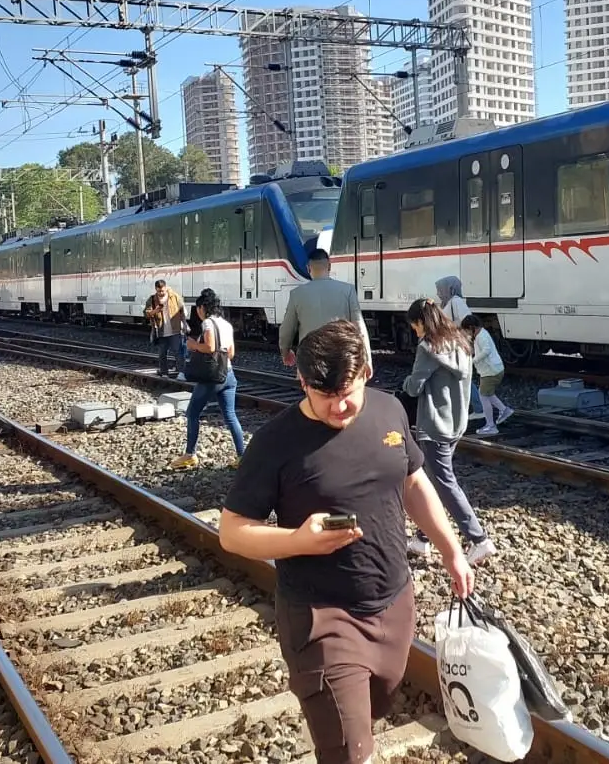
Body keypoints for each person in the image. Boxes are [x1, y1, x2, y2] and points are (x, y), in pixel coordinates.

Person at [218, 319, 474, 764]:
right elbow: (232, 530)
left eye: (347, 394)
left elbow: (414, 483)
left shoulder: (389, 410)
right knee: (349, 752)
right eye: (324, 396)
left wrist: (453, 551)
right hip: (321, 617)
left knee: (374, 711)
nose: (338, 407)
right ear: (302, 381)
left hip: (394, 602)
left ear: (367, 373)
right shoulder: (276, 443)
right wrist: (296, 540)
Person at [402, 298, 495, 564]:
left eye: (414, 326)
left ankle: (479, 539)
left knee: (444, 483)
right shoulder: (461, 342)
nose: (415, 331)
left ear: (421, 322)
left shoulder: (428, 347)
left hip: (433, 425)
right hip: (455, 423)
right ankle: (422, 539)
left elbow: (414, 387)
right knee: (432, 480)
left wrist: (406, 381)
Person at [174, 288, 246, 468]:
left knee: (192, 413)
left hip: (211, 378)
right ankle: (242, 456)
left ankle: (190, 454)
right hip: (228, 374)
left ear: (202, 308)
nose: (197, 312)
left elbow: (210, 347)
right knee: (230, 415)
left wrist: (193, 345)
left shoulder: (207, 323)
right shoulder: (227, 325)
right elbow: (230, 353)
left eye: (198, 308)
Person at [279, 248, 366, 368]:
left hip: (309, 359)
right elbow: (359, 327)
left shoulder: (297, 294)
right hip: (340, 358)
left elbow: (286, 330)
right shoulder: (348, 290)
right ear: (329, 266)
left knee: (310, 386)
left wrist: (285, 352)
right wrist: (366, 360)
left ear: (308, 268)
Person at [434, 275, 483, 419]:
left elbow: (467, 321)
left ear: (449, 288)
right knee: (457, 376)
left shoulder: (456, 302)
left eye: (440, 289)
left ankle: (478, 408)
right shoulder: (448, 302)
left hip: (457, 345)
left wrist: (453, 329)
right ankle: (469, 407)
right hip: (450, 345)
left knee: (461, 377)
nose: (438, 292)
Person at [460, 315, 514, 437]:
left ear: (471, 327)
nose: (467, 333)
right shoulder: (481, 334)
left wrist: (473, 361)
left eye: (467, 331)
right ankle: (504, 410)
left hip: (491, 371)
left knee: (483, 395)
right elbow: (481, 350)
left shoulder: (481, 336)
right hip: (493, 370)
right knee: (487, 394)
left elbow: (486, 350)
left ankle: (491, 425)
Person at [144, 279, 187, 378]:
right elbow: (146, 314)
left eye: (163, 290)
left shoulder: (174, 296)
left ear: (166, 288)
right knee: (162, 353)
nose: (161, 293)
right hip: (161, 331)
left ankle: (181, 372)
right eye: (159, 291)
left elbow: (182, 311)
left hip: (175, 329)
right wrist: (155, 311)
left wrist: (184, 324)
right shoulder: (152, 299)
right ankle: (164, 373)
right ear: (156, 289)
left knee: (178, 352)